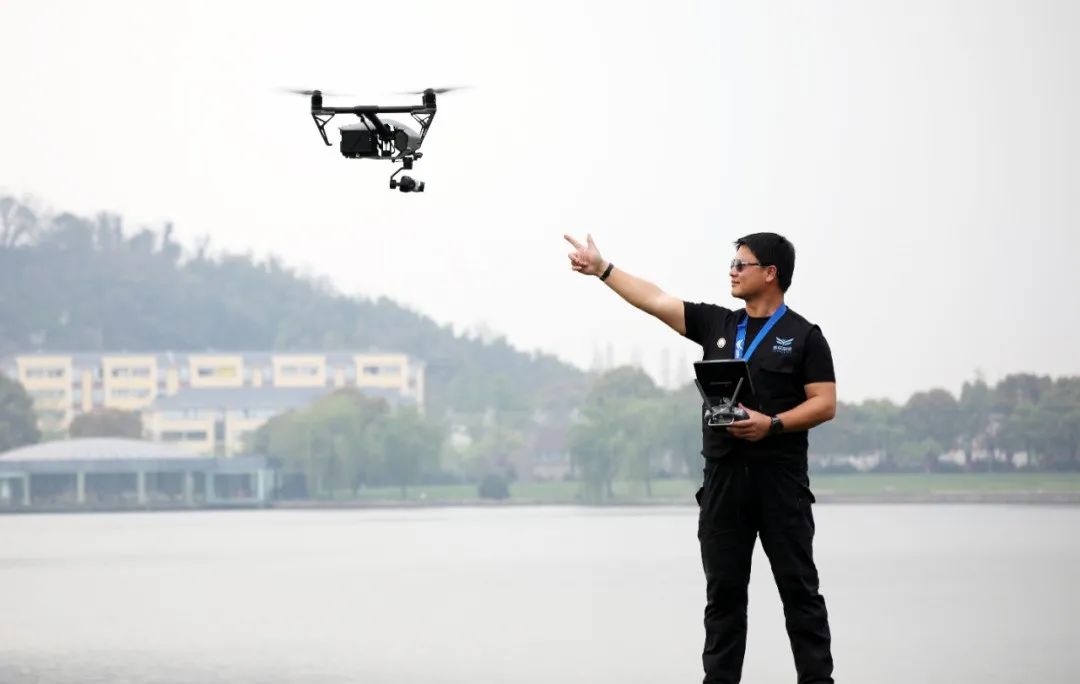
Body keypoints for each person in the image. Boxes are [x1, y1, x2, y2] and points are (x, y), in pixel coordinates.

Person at [564, 231, 837, 684]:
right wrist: (603, 270)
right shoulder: (718, 325)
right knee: (724, 597)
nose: (732, 271)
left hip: (780, 484)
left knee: (800, 592)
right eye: (732, 263)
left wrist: (770, 423)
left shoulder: (804, 336)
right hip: (723, 482)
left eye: (741, 264)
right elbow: (655, 300)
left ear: (771, 273)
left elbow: (825, 404)